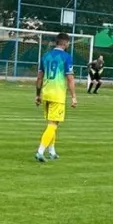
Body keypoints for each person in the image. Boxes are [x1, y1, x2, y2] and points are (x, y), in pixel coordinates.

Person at [34, 31, 77, 162]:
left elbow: (39, 77)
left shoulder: (46, 56)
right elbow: (70, 78)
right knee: (53, 124)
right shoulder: (66, 57)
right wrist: (74, 96)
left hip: (46, 93)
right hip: (57, 95)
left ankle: (52, 152)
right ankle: (40, 151)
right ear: (65, 43)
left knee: (51, 123)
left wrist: (37, 95)